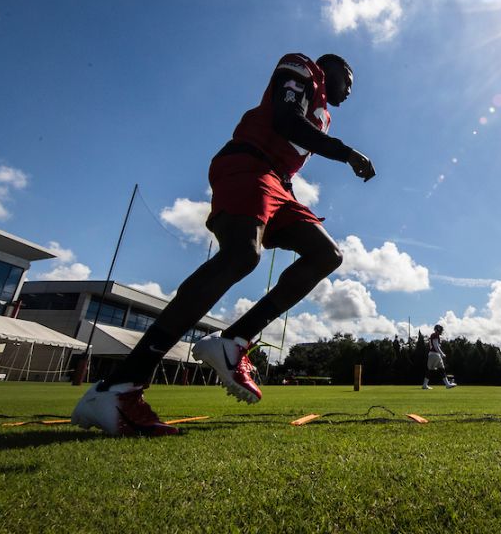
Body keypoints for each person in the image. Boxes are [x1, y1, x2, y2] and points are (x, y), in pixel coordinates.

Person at [72, 52, 376, 436]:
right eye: (348, 79)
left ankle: (235, 340)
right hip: (249, 165)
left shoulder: (324, 115)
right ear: (329, 68)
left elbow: (293, 140)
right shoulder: (301, 68)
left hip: (279, 183)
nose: (350, 90)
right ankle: (119, 386)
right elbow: (285, 120)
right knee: (242, 255)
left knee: (326, 254)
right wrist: (346, 153)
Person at [422, 324, 456, 390]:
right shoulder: (435, 335)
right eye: (440, 330)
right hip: (435, 354)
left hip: (434, 354)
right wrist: (442, 353)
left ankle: (447, 384)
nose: (441, 331)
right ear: (438, 329)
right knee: (432, 370)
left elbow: (432, 345)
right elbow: (436, 346)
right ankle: (425, 385)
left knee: (441, 369)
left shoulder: (433, 335)